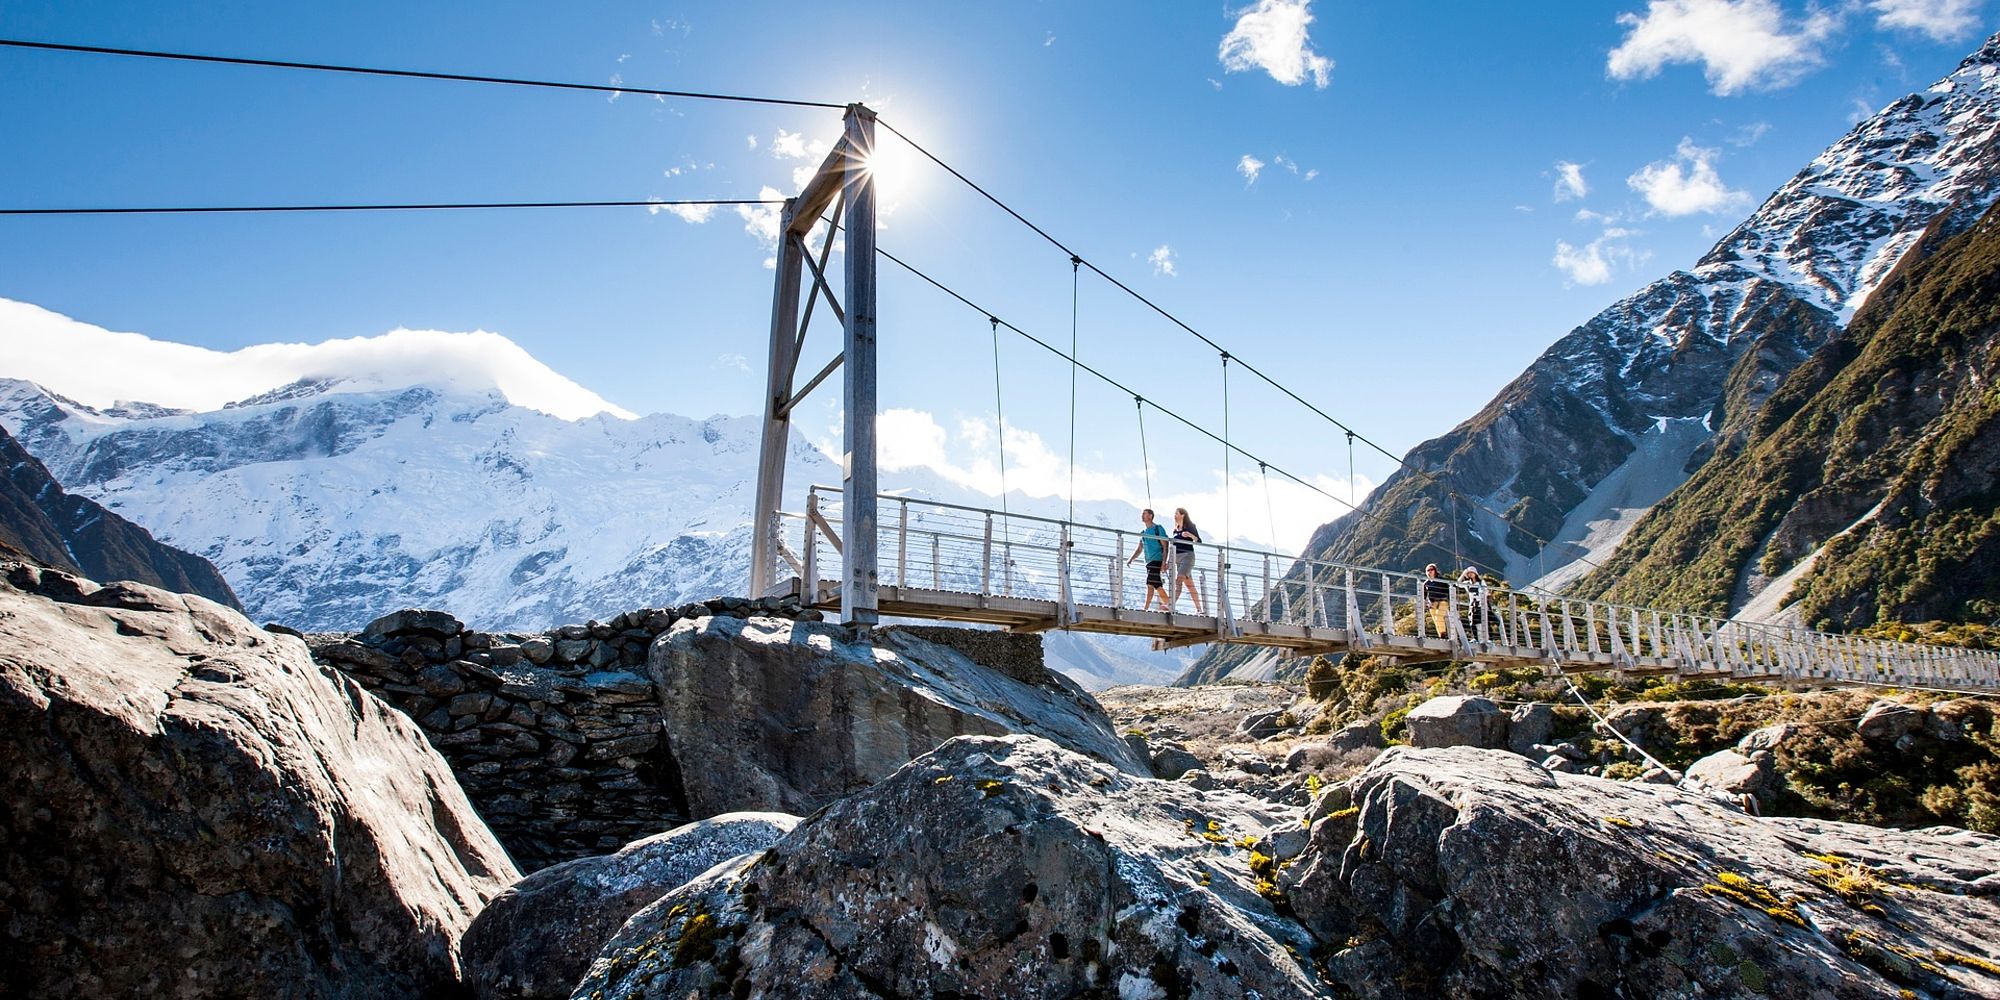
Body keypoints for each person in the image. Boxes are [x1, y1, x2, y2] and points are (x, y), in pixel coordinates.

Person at [1125, 508, 1171, 611]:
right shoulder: (1143, 532)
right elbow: (1140, 548)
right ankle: (1147, 608)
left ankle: (1169, 605)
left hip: (1157, 559)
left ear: (1150, 516)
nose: (1142, 516)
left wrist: (1164, 561)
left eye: (1144, 514)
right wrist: (1131, 559)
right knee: (1152, 585)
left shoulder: (1157, 529)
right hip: (1149, 561)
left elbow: (1165, 545)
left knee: (1153, 583)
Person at [1167, 508, 1205, 615]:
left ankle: (1171, 605)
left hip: (1187, 556)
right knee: (1190, 585)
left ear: (1182, 515)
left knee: (1178, 580)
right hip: (1177, 558)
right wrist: (1169, 561)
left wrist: (1189, 535)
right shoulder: (1175, 529)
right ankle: (1199, 610)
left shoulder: (1190, 526)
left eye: (1176, 513)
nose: (1174, 515)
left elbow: (1198, 540)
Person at [1459, 567, 1492, 640]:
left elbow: (1486, 592)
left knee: (1484, 621)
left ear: (1475, 573)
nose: (1470, 574)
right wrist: (1463, 574)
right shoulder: (1467, 583)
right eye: (1469, 573)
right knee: (1473, 622)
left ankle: (1488, 639)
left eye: (1472, 572)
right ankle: (1476, 638)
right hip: (1472, 605)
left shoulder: (1481, 582)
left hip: (1482, 604)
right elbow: (1458, 584)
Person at [1422, 563, 1451, 638]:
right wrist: (1425, 602)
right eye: (1428, 570)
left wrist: (1450, 600)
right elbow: (1424, 595)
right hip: (1432, 603)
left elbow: (1448, 589)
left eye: (1431, 569)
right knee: (1435, 620)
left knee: (1439, 616)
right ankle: (1441, 636)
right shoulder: (1426, 583)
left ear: (1435, 570)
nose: (1430, 571)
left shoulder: (1441, 580)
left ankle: (1443, 634)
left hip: (1443, 601)